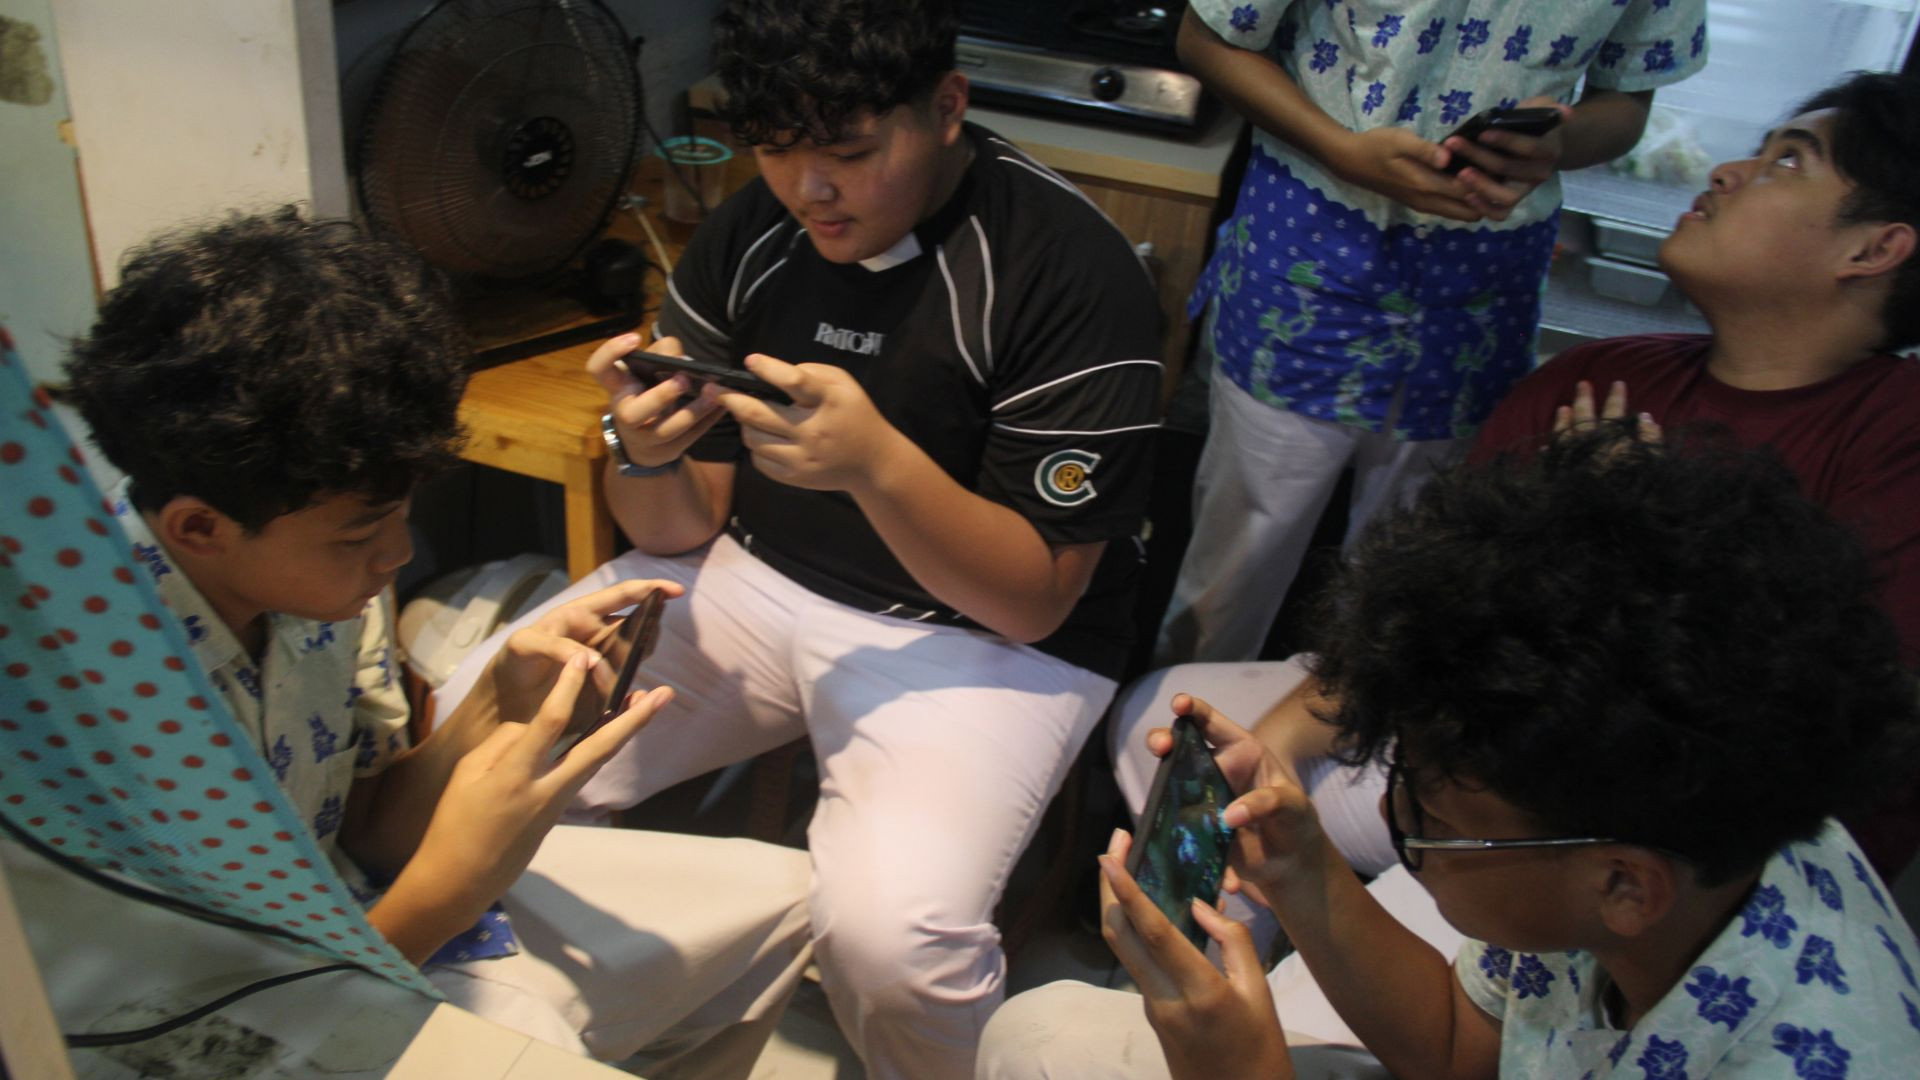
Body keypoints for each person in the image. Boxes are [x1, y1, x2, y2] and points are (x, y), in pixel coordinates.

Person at [434, 1, 1164, 1076]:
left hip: (987, 640)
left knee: (893, 947)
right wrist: (641, 452)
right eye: (775, 148)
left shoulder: (1068, 269)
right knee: (469, 742)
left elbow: (1036, 598)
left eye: (851, 154)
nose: (808, 188)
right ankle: (489, 1020)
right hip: (754, 574)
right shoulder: (754, 232)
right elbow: (682, 525)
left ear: (947, 107)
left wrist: (876, 465)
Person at [40, 210, 813, 1076]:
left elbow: (364, 827)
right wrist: (451, 888)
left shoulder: (317, 585)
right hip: (224, 1026)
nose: (397, 556)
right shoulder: (87, 698)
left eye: (400, 515)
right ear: (198, 528)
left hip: (352, 919)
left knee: (787, 897)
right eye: (359, 533)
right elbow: (195, 1037)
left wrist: (492, 710)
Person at [1142, 69, 1920, 887]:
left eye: (1788, 162)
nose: (1727, 172)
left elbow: (1833, 726)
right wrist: (1273, 747)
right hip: (1485, 747)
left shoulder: (1895, 437)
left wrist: (1618, 527)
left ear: (1875, 249)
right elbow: (1426, 619)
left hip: (1693, 849)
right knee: (1172, 723)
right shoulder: (1596, 376)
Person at [980, 425, 1920, 1079]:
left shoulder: (1811, 1054)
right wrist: (1303, 868)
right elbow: (1461, 1051)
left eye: (1427, 820)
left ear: (1626, 886)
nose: (1403, 831)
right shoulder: (1658, 839)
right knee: (1046, 1033)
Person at [1156, 0, 1709, 665]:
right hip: (1313, 244)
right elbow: (1207, 38)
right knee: (1235, 565)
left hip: (1479, 281)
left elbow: (1627, 99)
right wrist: (1340, 150)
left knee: (1410, 579)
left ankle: (1361, 723)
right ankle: (1182, 720)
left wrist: (1560, 141)